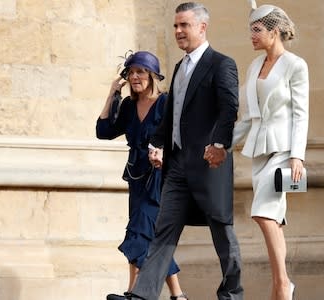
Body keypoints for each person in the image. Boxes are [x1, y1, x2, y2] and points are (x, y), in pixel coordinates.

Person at [126, 2, 244, 300]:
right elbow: (172, 115)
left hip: (209, 164)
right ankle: (144, 294)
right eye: (176, 26)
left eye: (184, 25)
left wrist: (220, 144)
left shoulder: (222, 64)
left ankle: (232, 295)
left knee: (222, 233)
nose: (178, 31)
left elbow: (229, 108)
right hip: (177, 165)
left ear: (202, 27)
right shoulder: (179, 67)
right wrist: (157, 143)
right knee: (164, 230)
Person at [230, 4, 309, 300]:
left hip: (283, 151)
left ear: (274, 32)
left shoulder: (295, 65)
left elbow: (301, 114)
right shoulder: (253, 66)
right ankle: (280, 287)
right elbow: (248, 117)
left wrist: (297, 155)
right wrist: (222, 144)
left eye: (256, 30)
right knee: (272, 218)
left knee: (263, 214)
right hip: (259, 151)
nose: (251, 35)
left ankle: (283, 283)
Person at [96, 51, 187, 300]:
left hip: (160, 178)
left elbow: (182, 140)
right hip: (136, 178)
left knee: (140, 231)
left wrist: (164, 155)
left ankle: (135, 292)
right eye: (131, 72)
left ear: (152, 75)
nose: (135, 77)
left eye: (141, 72)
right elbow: (103, 131)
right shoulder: (128, 106)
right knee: (148, 235)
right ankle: (176, 296)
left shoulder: (166, 102)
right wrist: (112, 93)